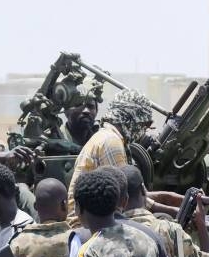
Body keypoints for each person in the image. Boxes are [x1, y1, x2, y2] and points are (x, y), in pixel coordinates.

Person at [66, 90, 155, 225]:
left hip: (91, 220)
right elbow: (128, 198)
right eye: (144, 123)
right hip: (84, 225)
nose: (144, 129)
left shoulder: (107, 136)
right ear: (131, 118)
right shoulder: (111, 141)